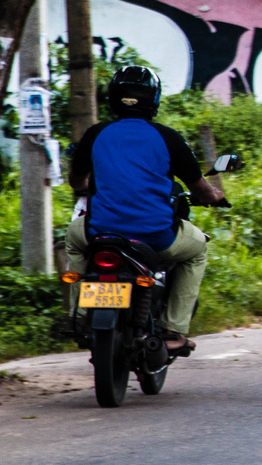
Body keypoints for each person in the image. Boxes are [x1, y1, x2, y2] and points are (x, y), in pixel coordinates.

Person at [65, 66, 224, 354]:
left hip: (100, 233)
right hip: (155, 238)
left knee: (73, 241)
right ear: (155, 99)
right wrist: (215, 195)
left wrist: (89, 182)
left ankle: (78, 316)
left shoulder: (95, 134)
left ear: (113, 97)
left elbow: (76, 180)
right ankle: (174, 330)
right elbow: (200, 189)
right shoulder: (169, 138)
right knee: (197, 249)